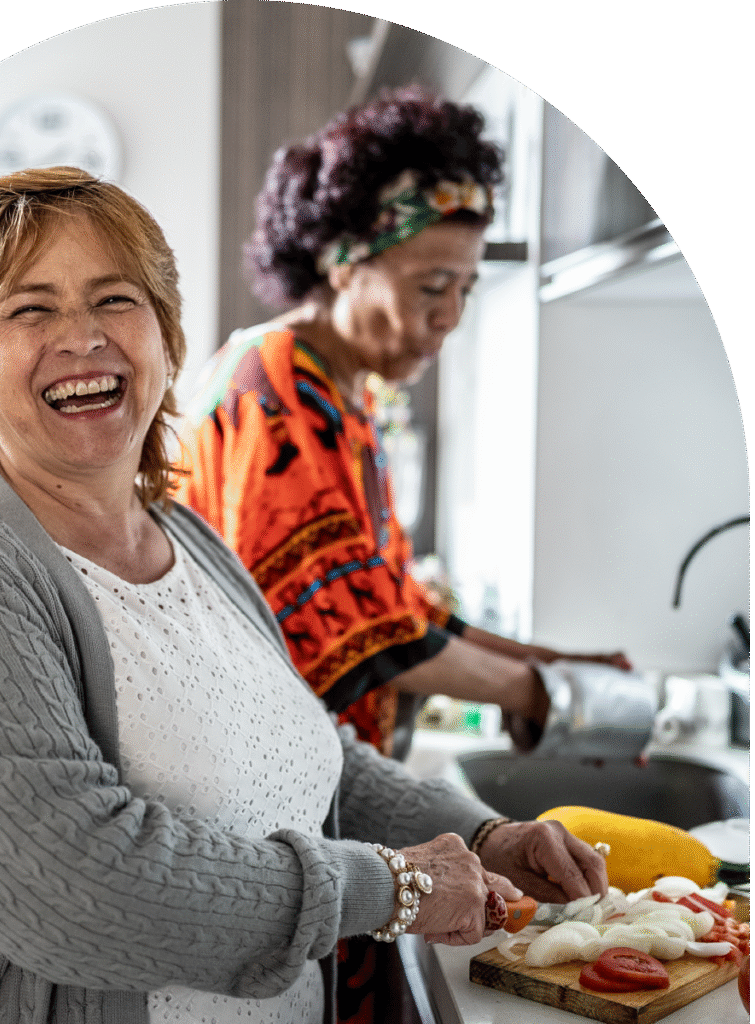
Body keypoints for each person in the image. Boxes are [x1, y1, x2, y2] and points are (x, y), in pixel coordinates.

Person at [0, 167, 607, 1024]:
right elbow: (81, 888)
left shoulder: (186, 538)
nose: (82, 338)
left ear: (166, 340)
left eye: (115, 300)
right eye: (30, 309)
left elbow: (301, 757)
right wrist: (392, 888)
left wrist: (484, 836)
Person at [176, 86, 632, 759]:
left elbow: (393, 606)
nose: (450, 316)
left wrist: (552, 663)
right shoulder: (277, 390)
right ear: (343, 263)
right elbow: (344, 625)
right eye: (430, 286)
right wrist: (539, 691)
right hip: (258, 784)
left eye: (464, 289)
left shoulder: (337, 395)